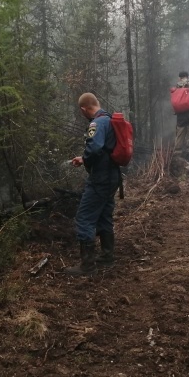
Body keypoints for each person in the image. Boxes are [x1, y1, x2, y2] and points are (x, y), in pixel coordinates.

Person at [64, 93, 121, 276]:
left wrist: (87, 159)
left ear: (83, 109)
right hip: (113, 177)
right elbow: (105, 149)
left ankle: (87, 266)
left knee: (84, 218)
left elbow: (95, 147)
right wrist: (84, 158)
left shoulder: (96, 123)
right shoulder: (109, 119)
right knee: (104, 215)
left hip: (100, 179)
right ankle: (106, 257)